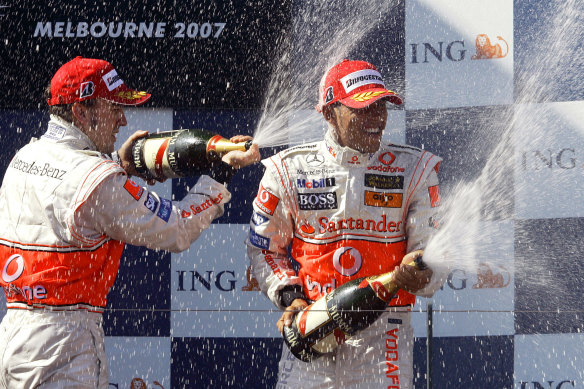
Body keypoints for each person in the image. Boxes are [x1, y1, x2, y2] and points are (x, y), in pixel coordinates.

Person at [0, 56, 260, 388]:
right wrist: (220, 175)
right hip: (64, 345)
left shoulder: (25, 156)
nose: (123, 120)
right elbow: (177, 230)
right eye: (114, 108)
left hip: (14, 334)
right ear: (81, 111)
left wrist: (118, 166)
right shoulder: (97, 179)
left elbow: (71, 195)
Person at [246, 59, 446, 388]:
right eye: (363, 108)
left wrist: (422, 269)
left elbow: (433, 255)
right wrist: (290, 298)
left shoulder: (416, 169)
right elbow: (264, 248)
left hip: (385, 330)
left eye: (381, 106)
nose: (377, 118)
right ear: (329, 112)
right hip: (312, 322)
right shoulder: (287, 170)